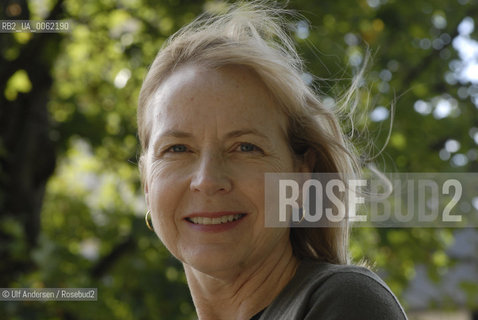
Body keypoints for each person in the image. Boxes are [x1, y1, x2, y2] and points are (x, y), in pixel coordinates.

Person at [137, 2, 408, 319]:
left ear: (301, 175)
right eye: (177, 149)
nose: (207, 180)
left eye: (246, 147)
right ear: (146, 181)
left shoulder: (345, 301)